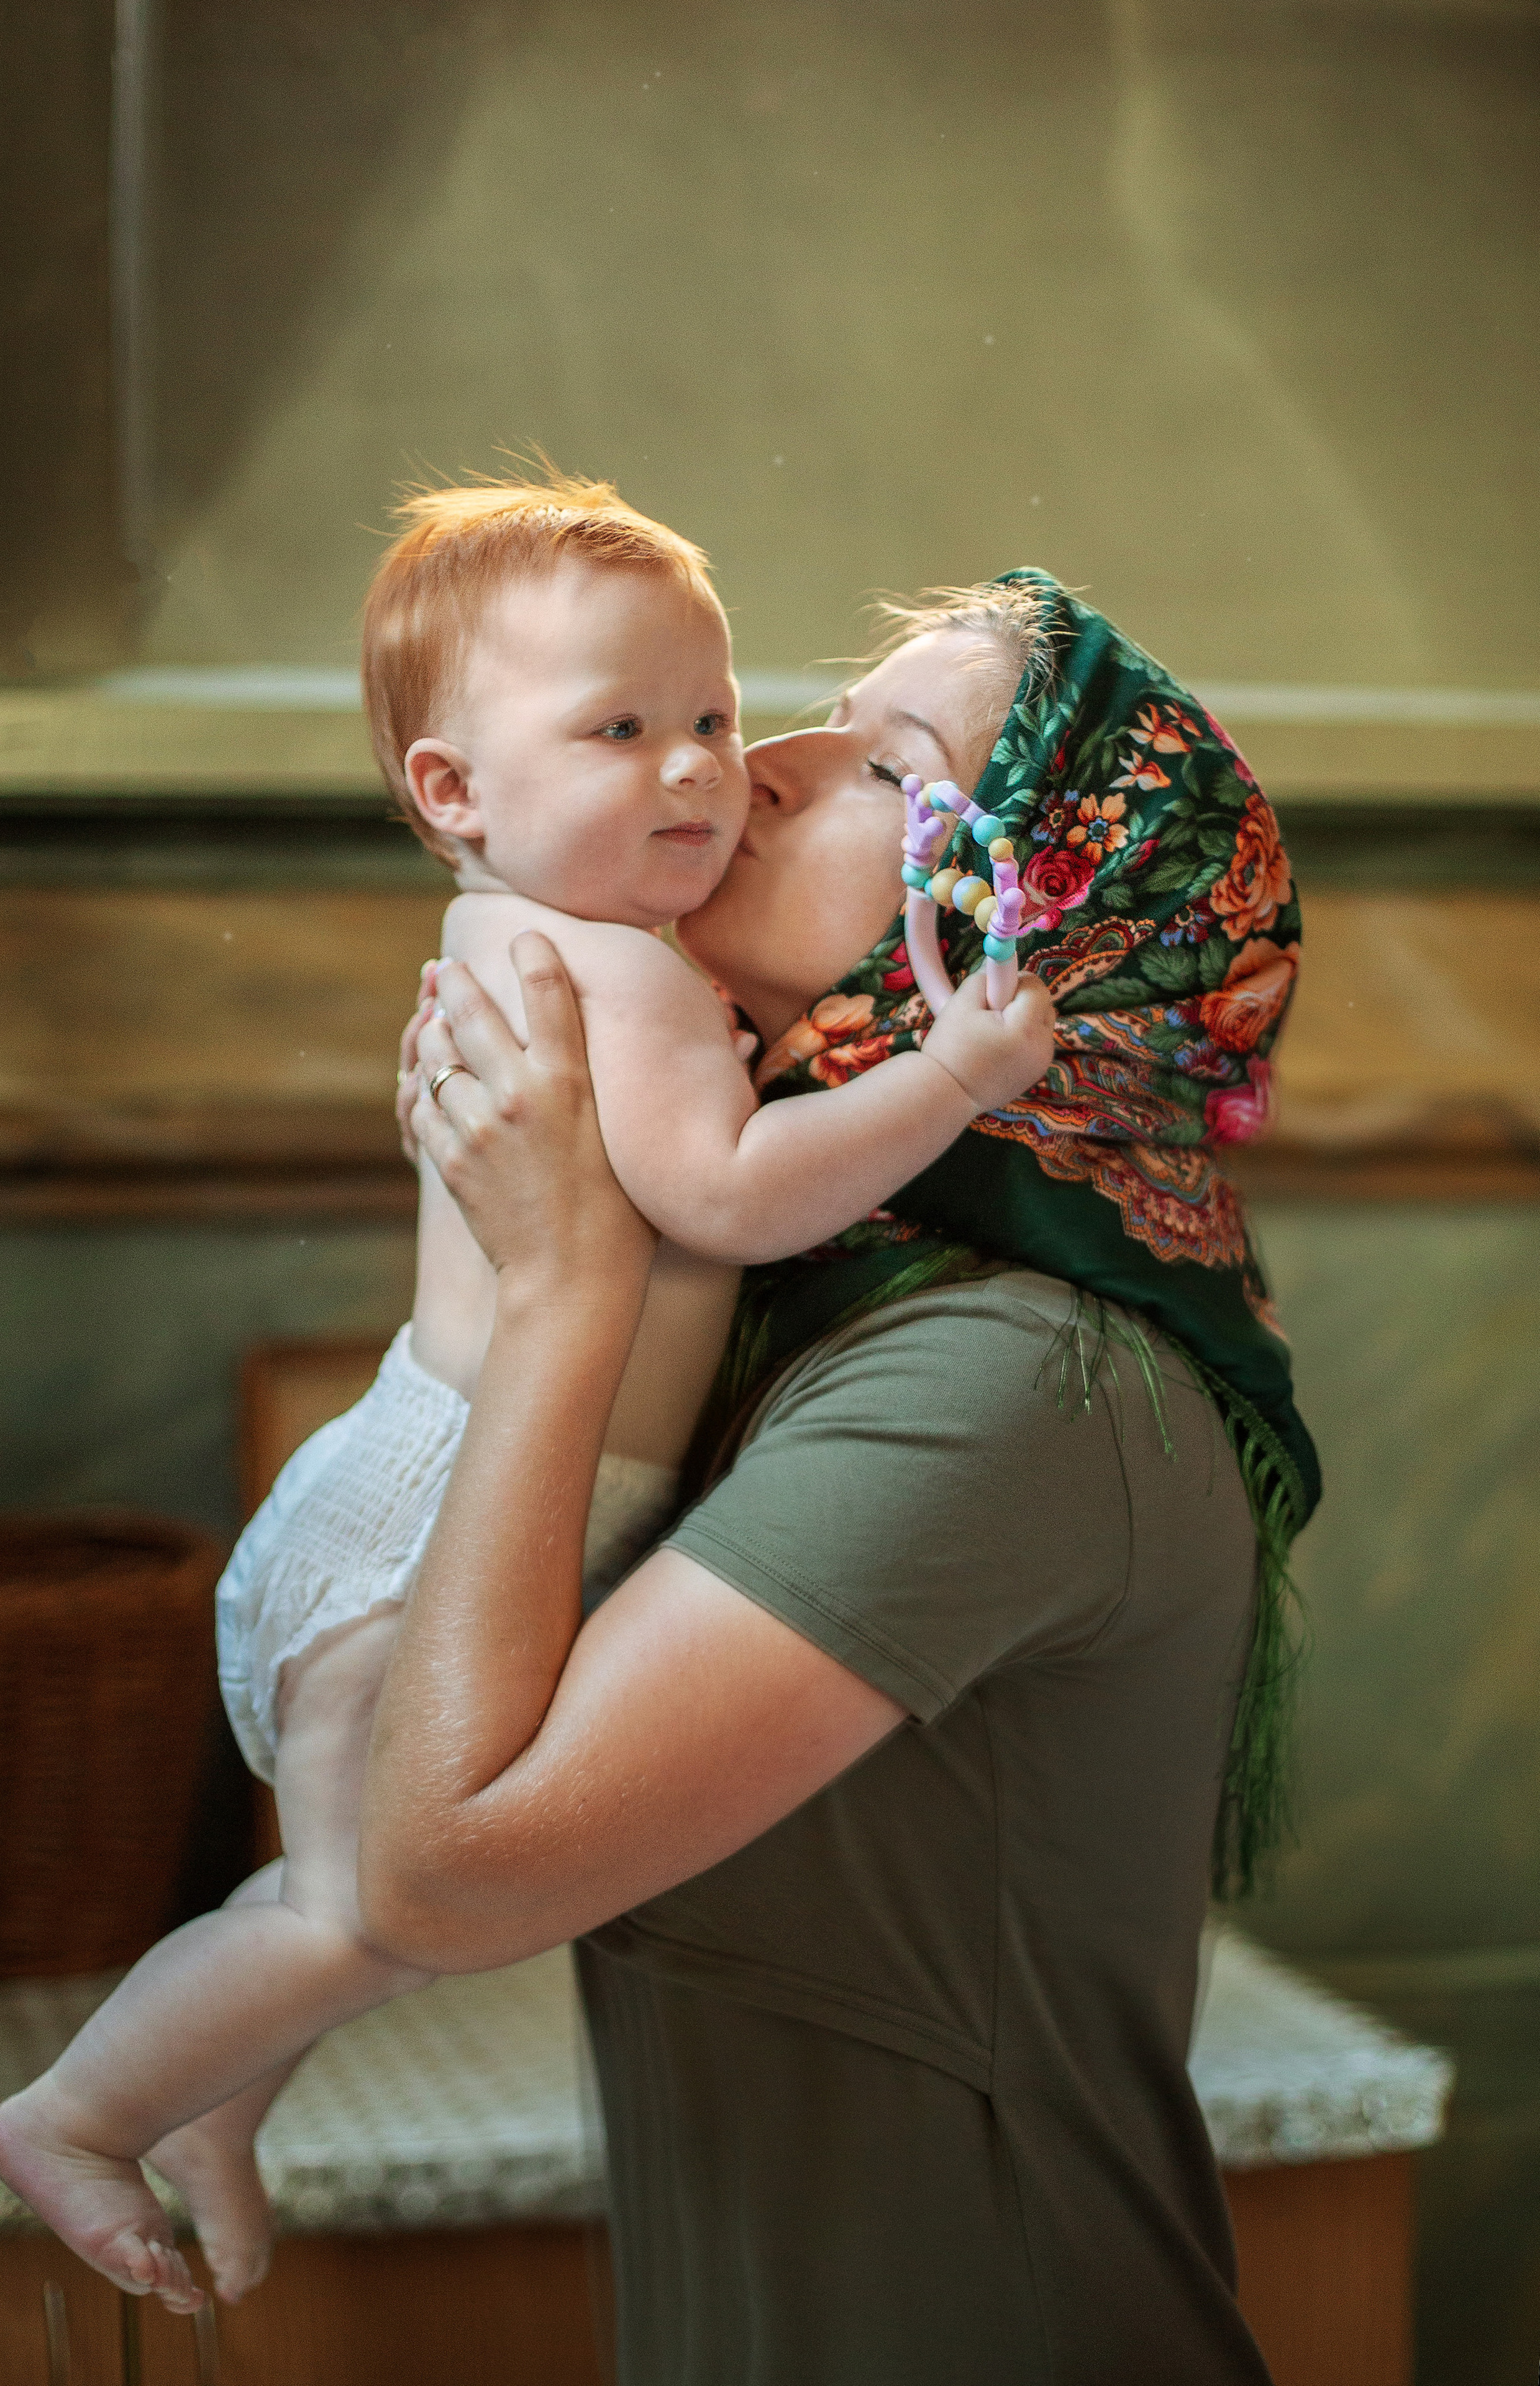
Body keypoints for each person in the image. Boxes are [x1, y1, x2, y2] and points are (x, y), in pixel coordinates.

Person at [0, 478, 1054, 2315]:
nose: (703, 771)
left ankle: (212, 2108)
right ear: (454, 795)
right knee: (358, 1916)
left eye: (712, 717)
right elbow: (727, 1194)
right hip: (435, 1529)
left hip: (418, 1500)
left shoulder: (543, 939)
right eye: (620, 731)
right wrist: (950, 1079)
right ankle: (74, 2115)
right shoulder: (615, 970)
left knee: (356, 1925)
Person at [353, 571, 1319, 2384]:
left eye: (896, 769)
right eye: (790, 714)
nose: (755, 771)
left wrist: (559, 1287)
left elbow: (436, 1880)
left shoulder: (1018, 1380)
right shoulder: (799, 1286)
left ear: (1043, 928)